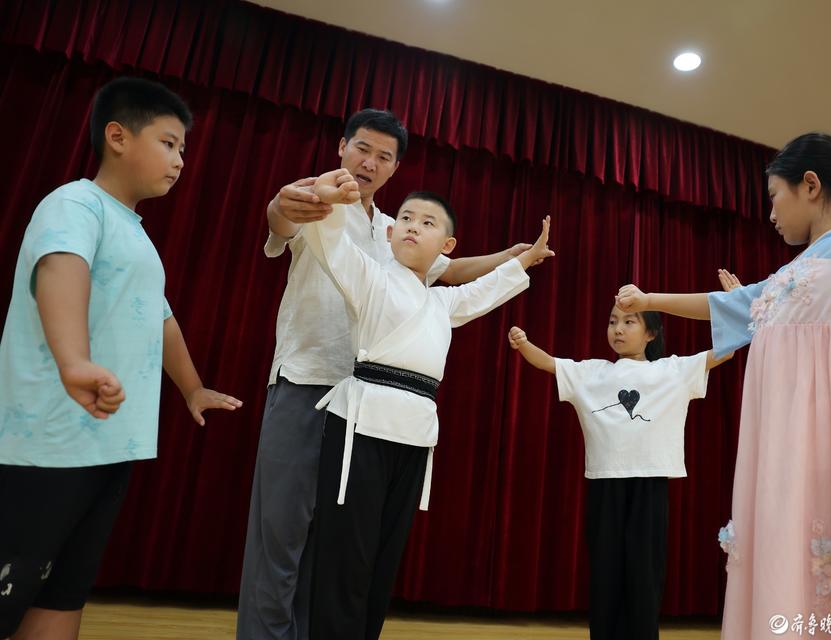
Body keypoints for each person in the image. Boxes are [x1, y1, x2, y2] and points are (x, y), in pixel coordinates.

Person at [616, 59, 831, 638]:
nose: (770, 213)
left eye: (775, 196)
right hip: (786, 455)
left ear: (811, 185)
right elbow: (722, 303)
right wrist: (650, 298)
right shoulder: (784, 278)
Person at [239, 108, 540, 640]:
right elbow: (282, 217)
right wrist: (286, 204)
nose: (369, 162)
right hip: (306, 378)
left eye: (383, 156)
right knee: (281, 531)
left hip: (365, 406)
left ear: (395, 167)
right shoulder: (320, 199)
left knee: (336, 540)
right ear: (341, 147)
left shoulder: (393, 230)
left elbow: (451, 272)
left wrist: (511, 258)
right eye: (362, 148)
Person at [0, 77, 241, 639]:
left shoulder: (136, 234)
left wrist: (192, 388)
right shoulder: (75, 203)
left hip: (109, 445)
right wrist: (73, 361)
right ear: (117, 136)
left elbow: (160, 319)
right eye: (168, 143)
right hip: (48, 443)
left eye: (183, 149)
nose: (180, 160)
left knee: (62, 596)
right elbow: (62, 268)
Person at [300, 169, 554, 640]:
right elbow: (332, 245)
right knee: (346, 554)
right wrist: (329, 203)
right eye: (406, 218)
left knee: (383, 557)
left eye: (427, 222)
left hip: (414, 436)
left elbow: (482, 292)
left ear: (447, 246)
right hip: (360, 426)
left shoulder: (441, 303)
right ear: (390, 234)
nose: (413, 226)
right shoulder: (370, 277)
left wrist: (526, 259)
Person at [508, 298, 730, 640]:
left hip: (650, 483)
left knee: (645, 572)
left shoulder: (672, 370)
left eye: (629, 322)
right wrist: (524, 344)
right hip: (605, 483)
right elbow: (549, 363)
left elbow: (723, 352)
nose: (618, 329)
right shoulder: (592, 372)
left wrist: (735, 306)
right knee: (605, 570)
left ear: (651, 333)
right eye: (613, 322)